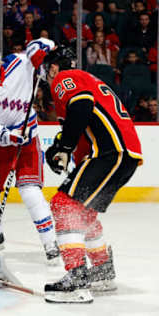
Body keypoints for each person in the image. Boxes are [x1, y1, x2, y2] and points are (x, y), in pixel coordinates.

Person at [42, 46, 143, 303]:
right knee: (84, 211)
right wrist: (63, 150)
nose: (48, 75)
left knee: (64, 204)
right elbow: (83, 130)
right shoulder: (89, 80)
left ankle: (77, 279)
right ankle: (102, 270)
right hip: (123, 153)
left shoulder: (66, 77)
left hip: (110, 152)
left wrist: (63, 147)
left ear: (54, 67)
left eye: (48, 70)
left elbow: (81, 107)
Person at [0, 39, 60, 264]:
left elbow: (35, 49)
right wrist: (6, 135)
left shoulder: (18, 63)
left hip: (27, 139)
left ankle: (50, 243)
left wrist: (42, 48)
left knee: (30, 191)